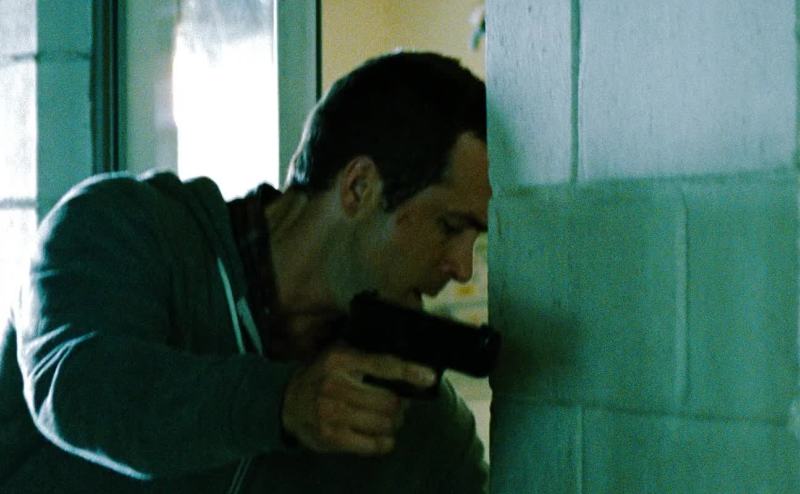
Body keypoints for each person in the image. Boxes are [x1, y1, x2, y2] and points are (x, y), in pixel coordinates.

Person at [0, 51, 490, 493]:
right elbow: (82, 389)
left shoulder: (406, 416)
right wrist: (282, 405)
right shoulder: (123, 229)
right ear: (358, 187)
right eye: (450, 227)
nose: (463, 267)